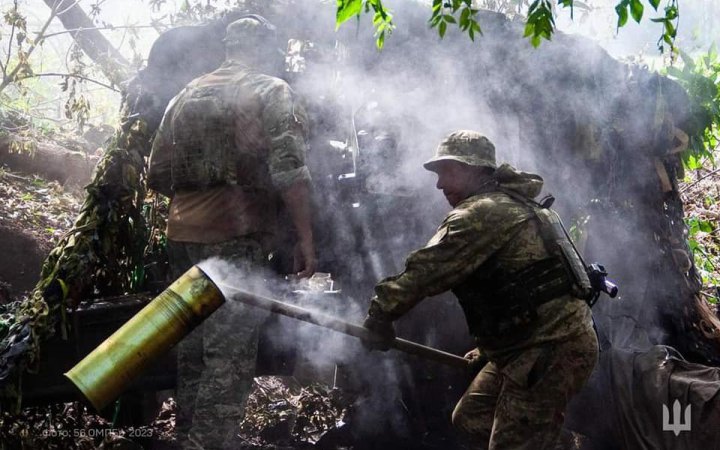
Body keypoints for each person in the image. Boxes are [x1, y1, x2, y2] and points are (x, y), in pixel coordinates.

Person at [362, 130, 598, 449]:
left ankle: (546, 440)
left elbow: (423, 274)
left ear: (474, 169)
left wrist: (379, 318)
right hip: (526, 344)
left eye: (447, 172)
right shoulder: (507, 204)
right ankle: (551, 441)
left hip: (551, 347)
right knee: (472, 420)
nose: (439, 184)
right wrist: (490, 350)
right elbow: (522, 291)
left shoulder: (480, 214)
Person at [147, 16, 316, 450]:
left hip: (183, 236)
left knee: (194, 347)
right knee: (228, 354)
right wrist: (305, 239)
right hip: (234, 238)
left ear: (229, 47)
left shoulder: (184, 96)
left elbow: (158, 173)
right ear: (264, 48)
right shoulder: (270, 90)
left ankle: (189, 438)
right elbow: (290, 172)